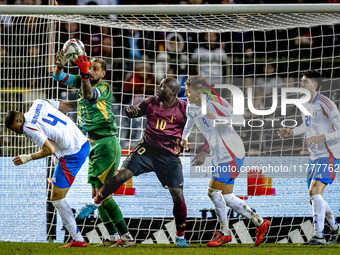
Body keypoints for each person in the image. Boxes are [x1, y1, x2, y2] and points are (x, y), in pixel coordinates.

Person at [75, 77, 209, 247]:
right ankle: (93, 204)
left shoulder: (185, 109)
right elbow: (133, 112)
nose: (158, 88)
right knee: (121, 175)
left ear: (173, 93)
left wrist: (204, 151)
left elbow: (208, 130)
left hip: (169, 157)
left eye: (163, 87)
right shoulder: (150, 103)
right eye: (159, 84)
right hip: (147, 150)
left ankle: (180, 237)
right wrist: (129, 110)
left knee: (178, 196)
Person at [53, 51, 134, 247]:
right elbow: (58, 77)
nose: (91, 71)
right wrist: (60, 65)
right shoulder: (82, 81)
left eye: (95, 69)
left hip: (106, 142)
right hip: (91, 143)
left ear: (103, 73)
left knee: (104, 194)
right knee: (95, 194)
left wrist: (83, 74)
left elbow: (89, 94)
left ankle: (128, 237)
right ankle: (113, 236)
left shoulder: (104, 87)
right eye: (90, 68)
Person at [181, 75, 271, 247]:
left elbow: (241, 119)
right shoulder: (191, 107)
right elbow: (190, 122)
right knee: (227, 197)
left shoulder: (217, 102)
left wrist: (219, 119)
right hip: (219, 155)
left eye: (188, 90)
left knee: (212, 192)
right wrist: (184, 138)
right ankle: (260, 223)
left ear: (199, 92)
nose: (185, 92)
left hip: (231, 153)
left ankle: (225, 233)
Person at [5, 99, 89, 248]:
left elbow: (49, 150)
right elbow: (65, 106)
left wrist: (27, 157)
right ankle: (80, 237)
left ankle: (78, 239)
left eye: (15, 129)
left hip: (72, 154)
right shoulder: (38, 103)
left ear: (19, 119)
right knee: (57, 193)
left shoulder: (29, 127)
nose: (17, 133)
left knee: (56, 198)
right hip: (82, 141)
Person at [278, 70, 340, 245]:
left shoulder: (327, 104)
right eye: (301, 82)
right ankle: (335, 229)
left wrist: (323, 137)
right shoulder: (305, 103)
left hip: (329, 154)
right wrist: (291, 131)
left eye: (305, 82)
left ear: (315, 84)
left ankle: (319, 236)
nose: (302, 85)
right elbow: (307, 126)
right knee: (313, 196)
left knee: (315, 192)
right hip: (314, 156)